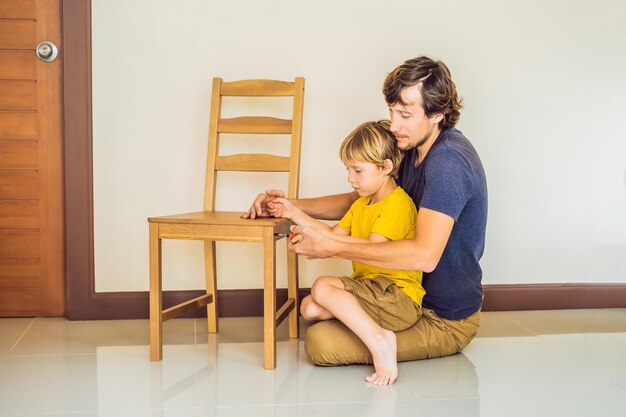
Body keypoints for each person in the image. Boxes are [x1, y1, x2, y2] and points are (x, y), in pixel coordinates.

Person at [242, 56, 487, 385]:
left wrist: (332, 247)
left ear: (438, 114)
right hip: (393, 293)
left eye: (406, 113)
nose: (394, 124)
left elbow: (424, 256)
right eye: (391, 111)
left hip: (442, 318)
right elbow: (365, 199)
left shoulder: (448, 162)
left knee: (320, 342)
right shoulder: (411, 147)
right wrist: (287, 205)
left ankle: (381, 338)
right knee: (313, 310)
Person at [268, 120, 424, 385]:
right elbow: (334, 236)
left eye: (357, 170)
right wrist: (293, 212)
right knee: (310, 308)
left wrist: (323, 246)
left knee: (322, 286)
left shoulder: (396, 204)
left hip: (398, 297)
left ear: (385, 167)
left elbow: (372, 249)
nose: (350, 178)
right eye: (348, 169)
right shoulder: (362, 204)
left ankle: (380, 340)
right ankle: (362, 323)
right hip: (373, 290)